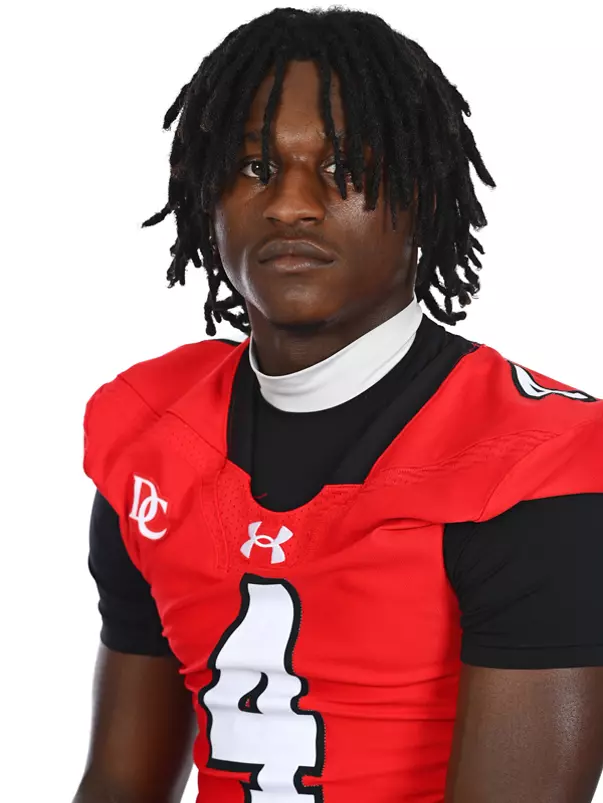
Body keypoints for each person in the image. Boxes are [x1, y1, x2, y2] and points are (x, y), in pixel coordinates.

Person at [72, 7, 603, 803]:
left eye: (344, 166)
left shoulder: (536, 460)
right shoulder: (153, 431)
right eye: (255, 168)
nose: (291, 204)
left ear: (423, 192)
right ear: (201, 195)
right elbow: (119, 782)